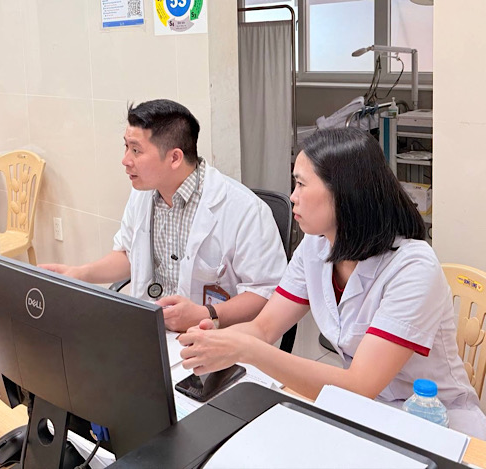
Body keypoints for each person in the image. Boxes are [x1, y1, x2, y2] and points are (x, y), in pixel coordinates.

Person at [178, 128, 486, 438]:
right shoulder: (316, 246)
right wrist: (211, 341)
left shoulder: (413, 268)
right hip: (368, 410)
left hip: (438, 424)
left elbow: (360, 384)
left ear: (344, 193)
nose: (292, 196)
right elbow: (263, 328)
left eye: (301, 184)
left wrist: (247, 351)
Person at [41, 99, 287, 332]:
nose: (125, 160)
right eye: (126, 147)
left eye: (136, 150)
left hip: (214, 337)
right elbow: (128, 255)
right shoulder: (143, 193)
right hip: (151, 330)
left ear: (175, 158)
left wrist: (205, 314)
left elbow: (266, 292)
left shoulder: (244, 210)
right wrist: (80, 274)